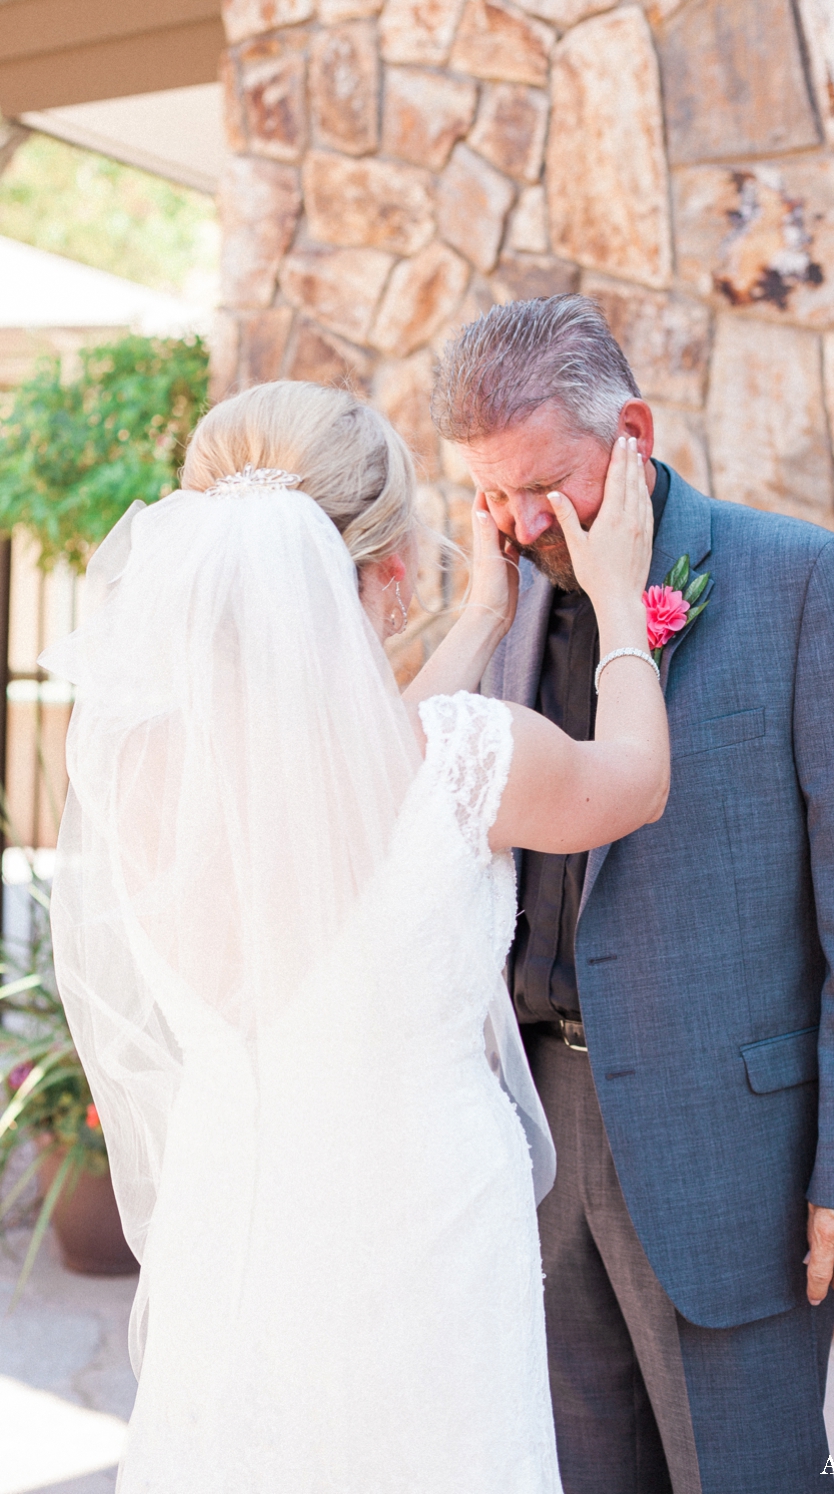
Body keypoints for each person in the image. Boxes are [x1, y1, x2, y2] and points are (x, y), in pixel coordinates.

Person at [43, 381, 669, 1493]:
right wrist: (620, 602)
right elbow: (629, 781)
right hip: (419, 1238)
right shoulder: (470, 756)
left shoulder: (139, 771)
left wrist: (481, 617)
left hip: (237, 1228)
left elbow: (344, 805)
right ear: (385, 576)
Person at [431, 295, 834, 1494]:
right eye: (487, 494)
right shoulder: (501, 608)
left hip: (733, 1153)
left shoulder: (801, 581)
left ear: (632, 436)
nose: (512, 523)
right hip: (531, 1138)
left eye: (541, 488)